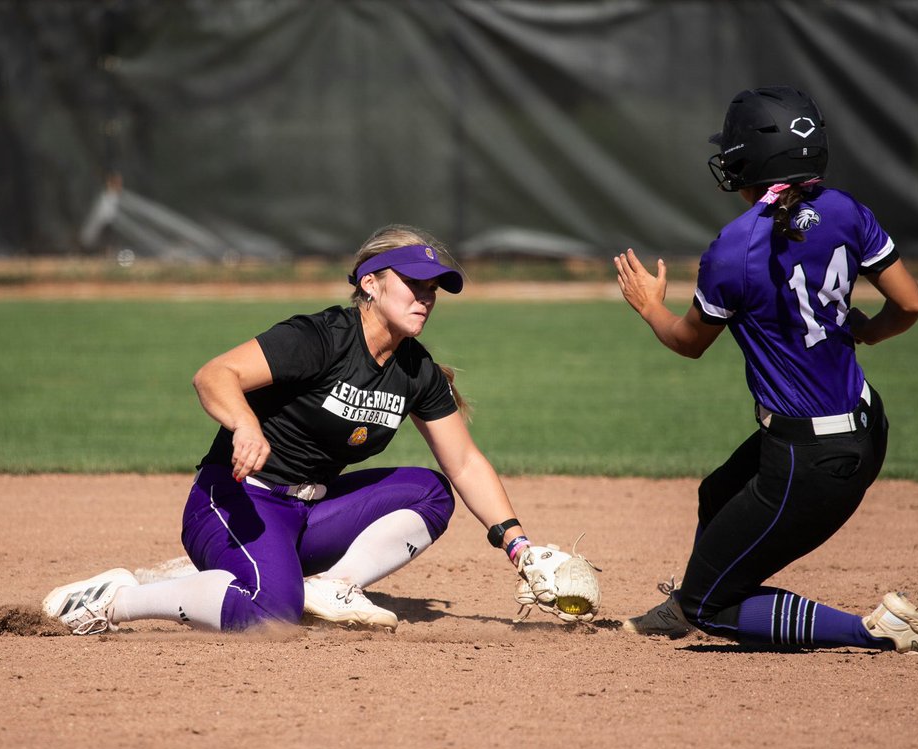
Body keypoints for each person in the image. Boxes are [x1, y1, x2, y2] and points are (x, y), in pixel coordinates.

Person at [43, 224, 556, 634]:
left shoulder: (415, 369)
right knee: (270, 611)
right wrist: (245, 425)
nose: (425, 296)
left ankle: (334, 586)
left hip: (309, 513)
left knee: (429, 492)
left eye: (433, 288)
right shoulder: (320, 338)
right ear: (370, 283)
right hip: (236, 502)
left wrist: (519, 547)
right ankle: (115, 600)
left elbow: (464, 462)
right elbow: (214, 375)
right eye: (412, 283)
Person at [614, 86, 918, 654]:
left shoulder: (733, 248)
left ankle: (874, 630)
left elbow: (688, 342)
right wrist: (868, 330)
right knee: (719, 493)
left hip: (811, 462)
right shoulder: (845, 209)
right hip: (866, 427)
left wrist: (650, 305)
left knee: (716, 606)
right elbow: (911, 303)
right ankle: (685, 605)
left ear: (751, 159)